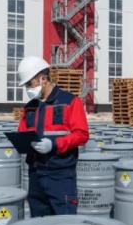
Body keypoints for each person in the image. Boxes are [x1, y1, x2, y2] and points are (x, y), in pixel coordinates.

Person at [16, 56, 89, 216]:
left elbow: (81, 135)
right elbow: (22, 131)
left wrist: (54, 144)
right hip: (35, 174)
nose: (28, 88)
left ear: (43, 78)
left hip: (61, 176)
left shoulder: (70, 102)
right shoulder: (29, 107)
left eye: (30, 84)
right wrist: (21, 142)